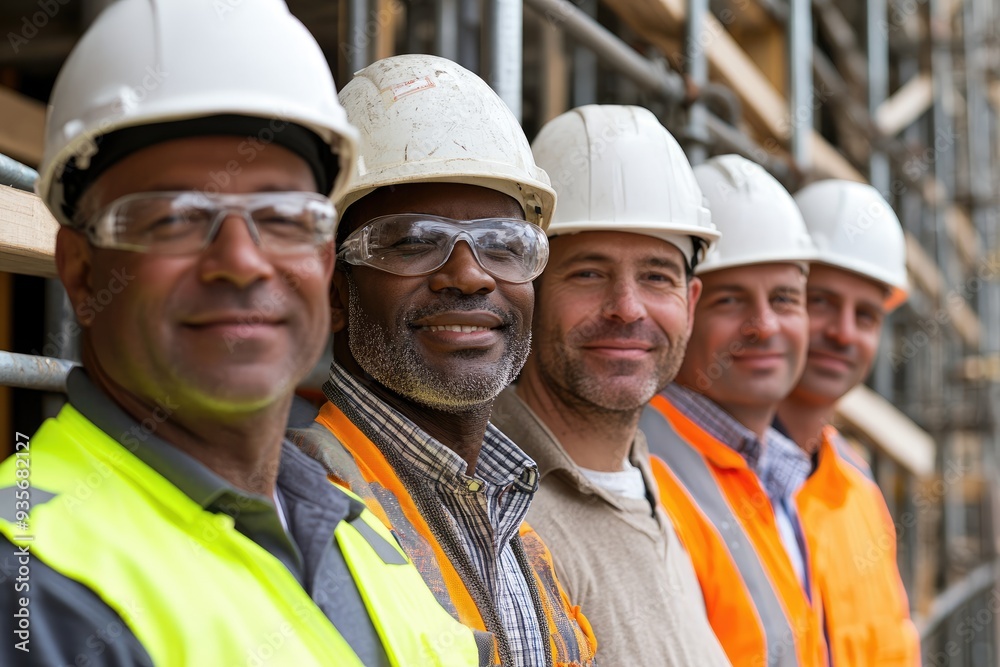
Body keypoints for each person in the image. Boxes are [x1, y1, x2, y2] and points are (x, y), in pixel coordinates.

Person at [0, 2, 484, 665]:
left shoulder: (360, 534)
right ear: (82, 272)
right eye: (174, 217)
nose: (242, 260)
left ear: (321, 263)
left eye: (284, 216)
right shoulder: (32, 584)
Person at [288, 54, 597, 667]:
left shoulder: (526, 548)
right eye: (412, 242)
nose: (468, 275)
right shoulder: (304, 508)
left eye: (504, 246)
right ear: (333, 288)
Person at [489, 104, 731, 667]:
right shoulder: (500, 515)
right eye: (589, 273)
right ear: (529, 291)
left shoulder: (653, 485)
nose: (627, 308)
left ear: (689, 304)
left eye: (656, 276)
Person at [640, 154, 827, 667]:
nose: (764, 325)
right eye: (731, 301)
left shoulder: (779, 472)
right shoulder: (643, 469)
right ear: (687, 308)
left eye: (786, 299)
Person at [776, 180, 919, 666]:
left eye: (867, 315)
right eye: (821, 302)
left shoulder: (859, 490)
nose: (843, 332)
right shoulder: (697, 479)